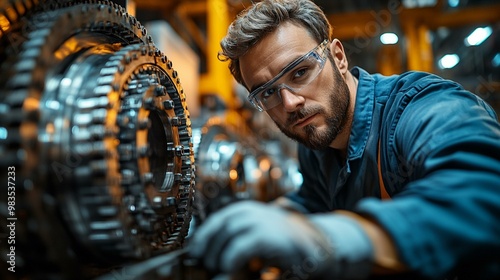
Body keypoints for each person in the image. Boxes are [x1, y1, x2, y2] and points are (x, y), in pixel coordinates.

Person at [188, 0, 500, 279]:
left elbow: (483, 194)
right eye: (268, 92)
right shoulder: (315, 144)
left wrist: (328, 239)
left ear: (338, 57)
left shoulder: (417, 108)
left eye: (299, 73)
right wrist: (258, 221)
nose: (290, 104)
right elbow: (311, 201)